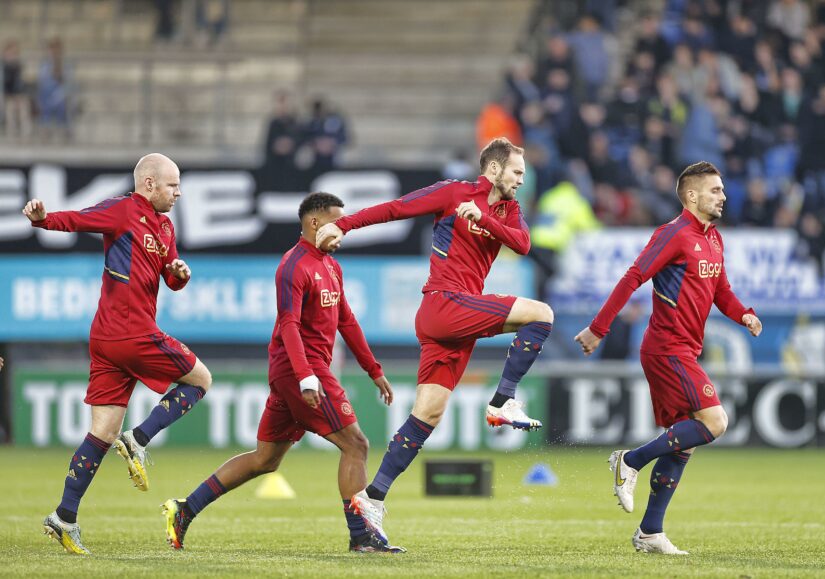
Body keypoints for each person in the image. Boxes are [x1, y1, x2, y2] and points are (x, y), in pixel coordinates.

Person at [316, 137, 554, 546]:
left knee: (428, 413)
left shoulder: (510, 211)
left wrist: (484, 218)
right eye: (516, 172)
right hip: (444, 303)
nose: (521, 181)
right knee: (541, 315)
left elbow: (523, 244)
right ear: (494, 170)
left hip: (453, 321)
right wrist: (344, 224)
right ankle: (502, 401)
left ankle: (372, 499)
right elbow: (395, 208)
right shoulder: (453, 192)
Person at [161, 192, 404, 554]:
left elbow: (346, 321)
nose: (344, 231)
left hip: (297, 371)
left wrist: (374, 369)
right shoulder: (293, 266)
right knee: (356, 444)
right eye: (338, 223)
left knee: (265, 459)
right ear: (315, 223)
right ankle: (362, 536)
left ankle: (184, 509)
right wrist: (307, 376)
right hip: (300, 369)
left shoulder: (331, 266)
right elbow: (288, 323)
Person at [23, 153, 213, 555]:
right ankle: (140, 438)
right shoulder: (122, 210)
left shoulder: (164, 225)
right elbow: (76, 219)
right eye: (172, 185)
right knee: (201, 380)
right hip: (132, 332)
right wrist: (42, 220)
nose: (179, 193)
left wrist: (179, 275)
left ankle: (64, 516)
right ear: (149, 183)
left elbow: (169, 276)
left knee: (101, 433)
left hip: (108, 340)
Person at [575, 161, 762, 555]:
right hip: (666, 348)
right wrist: (598, 327)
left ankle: (650, 531)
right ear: (691, 195)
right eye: (715, 190)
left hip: (684, 349)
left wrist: (743, 312)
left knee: (684, 442)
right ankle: (630, 460)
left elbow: (721, 291)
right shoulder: (673, 234)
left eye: (723, 190)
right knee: (715, 421)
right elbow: (633, 277)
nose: (723, 196)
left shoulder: (714, 239)